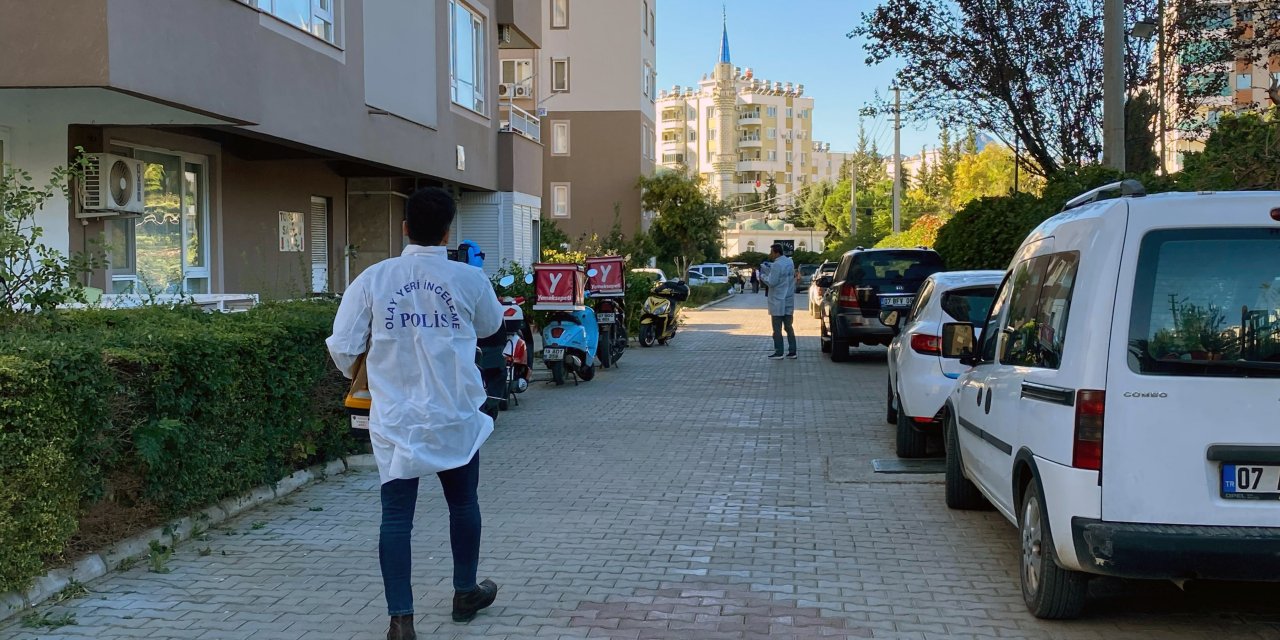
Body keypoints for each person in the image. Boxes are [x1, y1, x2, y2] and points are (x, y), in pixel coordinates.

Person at [326, 188, 504, 639]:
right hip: (455, 414)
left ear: (405, 227)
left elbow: (343, 345)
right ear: (449, 231)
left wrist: (374, 375)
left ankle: (400, 620)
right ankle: (465, 592)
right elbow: (491, 327)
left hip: (396, 418)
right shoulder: (468, 279)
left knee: (396, 516)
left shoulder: (374, 278)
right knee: (463, 503)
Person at [763, 243, 797, 360]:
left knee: (777, 329)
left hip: (778, 300)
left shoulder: (777, 265)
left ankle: (779, 352)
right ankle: (792, 351)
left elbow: (772, 282)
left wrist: (763, 276)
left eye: (771, 252)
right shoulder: (789, 262)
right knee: (789, 327)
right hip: (788, 299)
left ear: (776, 252)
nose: (770, 254)